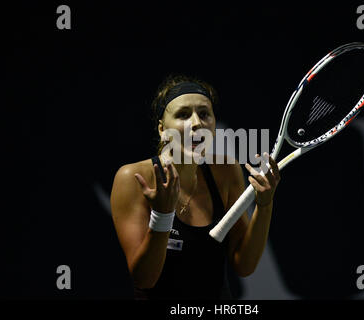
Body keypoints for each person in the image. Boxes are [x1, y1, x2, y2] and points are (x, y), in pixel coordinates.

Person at [110, 74, 280, 300]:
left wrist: (265, 205)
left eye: (204, 114)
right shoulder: (133, 178)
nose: (197, 123)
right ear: (162, 129)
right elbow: (145, 279)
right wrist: (162, 215)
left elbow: (244, 265)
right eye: (183, 115)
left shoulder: (226, 171)